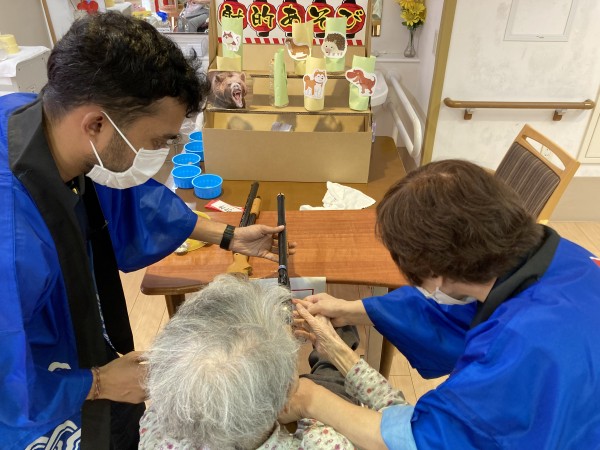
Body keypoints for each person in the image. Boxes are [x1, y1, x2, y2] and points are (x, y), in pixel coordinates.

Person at [0, 12, 289, 450]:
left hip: (74, 333)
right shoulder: (12, 244)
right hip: (33, 387)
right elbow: (8, 382)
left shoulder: (43, 118)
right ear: (96, 124)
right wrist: (97, 383)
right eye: (157, 142)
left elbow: (122, 198)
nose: (161, 153)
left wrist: (229, 236)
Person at [291, 160, 600, 449]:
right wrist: (349, 310)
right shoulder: (559, 256)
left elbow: (428, 439)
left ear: (434, 272)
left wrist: (309, 399)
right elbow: (454, 308)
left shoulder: (517, 348)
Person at [140, 274, 409, 449]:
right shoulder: (323, 441)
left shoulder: (155, 430)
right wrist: (340, 356)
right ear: (286, 395)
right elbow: (408, 429)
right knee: (337, 354)